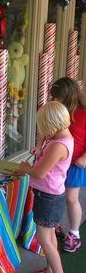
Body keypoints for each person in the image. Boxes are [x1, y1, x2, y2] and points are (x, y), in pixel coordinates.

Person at [15, 101, 74, 273]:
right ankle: (50, 270)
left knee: (44, 239)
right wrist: (41, 149)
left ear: (52, 125)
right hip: (50, 195)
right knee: (48, 237)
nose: (43, 132)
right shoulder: (61, 137)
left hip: (49, 197)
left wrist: (25, 169)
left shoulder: (58, 145)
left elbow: (39, 173)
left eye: (44, 128)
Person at [50, 77, 86, 252]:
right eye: (55, 97)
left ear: (71, 95)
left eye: (60, 97)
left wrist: (85, 158)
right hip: (57, 162)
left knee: (71, 198)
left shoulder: (84, 112)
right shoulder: (58, 111)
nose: (57, 101)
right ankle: (54, 225)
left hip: (75, 163)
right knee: (55, 196)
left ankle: (74, 233)